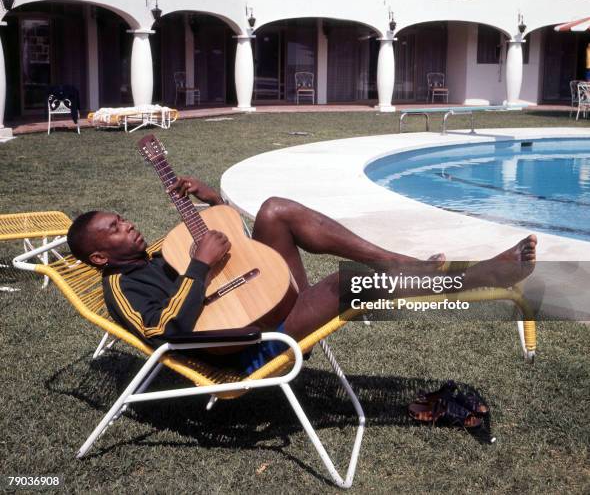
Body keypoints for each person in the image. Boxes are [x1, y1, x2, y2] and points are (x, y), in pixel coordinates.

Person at [66, 176, 537, 373]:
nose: (126, 225)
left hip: (265, 303)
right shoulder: (122, 287)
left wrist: (214, 202)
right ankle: (476, 278)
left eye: (121, 219)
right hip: (249, 347)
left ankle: (397, 261)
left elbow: (236, 248)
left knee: (275, 210)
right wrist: (200, 265)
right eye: (114, 228)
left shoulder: (155, 252)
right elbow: (161, 331)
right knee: (341, 283)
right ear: (100, 257)